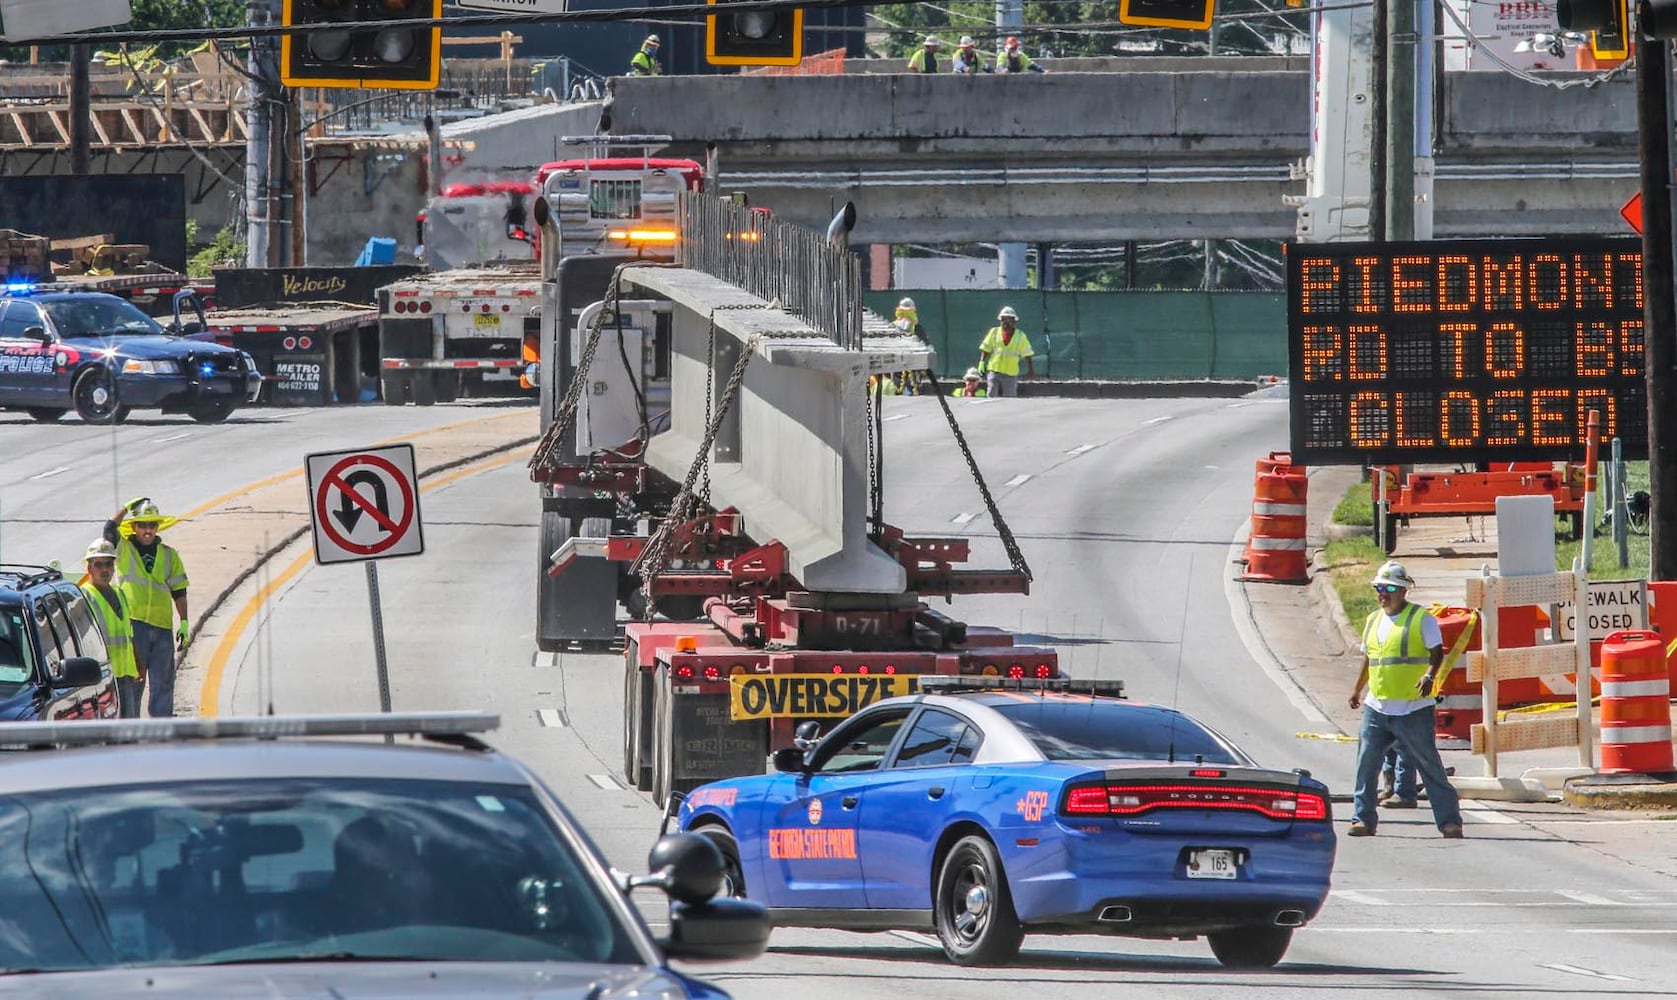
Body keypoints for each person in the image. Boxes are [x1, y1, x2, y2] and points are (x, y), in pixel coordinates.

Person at [1346, 561, 1464, 838]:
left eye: (1388, 588)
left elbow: (1437, 651)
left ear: (1402, 591)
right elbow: (1370, 658)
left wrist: (1430, 676)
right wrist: (1357, 689)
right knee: (1366, 766)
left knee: (1430, 768)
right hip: (1377, 707)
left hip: (1413, 709)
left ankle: (1449, 821)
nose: (1382, 593)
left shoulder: (1420, 618)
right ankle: (1362, 819)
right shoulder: (1373, 620)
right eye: (1378, 588)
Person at [106, 498, 189, 718]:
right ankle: (131, 730)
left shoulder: (169, 555)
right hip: (135, 627)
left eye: (152, 525)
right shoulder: (124, 549)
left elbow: (179, 591)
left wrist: (184, 622)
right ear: (134, 526)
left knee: (163, 683)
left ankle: (161, 731)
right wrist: (126, 507)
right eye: (143, 525)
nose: (148, 530)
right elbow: (108, 529)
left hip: (162, 627)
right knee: (133, 683)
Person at [80, 539, 142, 718]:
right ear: (89, 568)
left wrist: (138, 661)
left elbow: (127, 633)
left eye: (108, 564)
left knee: (128, 725)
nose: (104, 569)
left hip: (125, 673)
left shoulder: (119, 593)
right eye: (98, 565)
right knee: (111, 730)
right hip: (102, 678)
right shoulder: (84, 596)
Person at [977, 305, 1035, 397]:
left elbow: (1027, 354)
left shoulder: (1020, 336)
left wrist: (1031, 370)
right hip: (994, 370)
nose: (1005, 322)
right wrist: (982, 362)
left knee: (1010, 398)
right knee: (991, 395)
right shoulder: (994, 332)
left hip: (1010, 373)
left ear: (1014, 321)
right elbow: (986, 349)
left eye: (1008, 319)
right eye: (1003, 319)